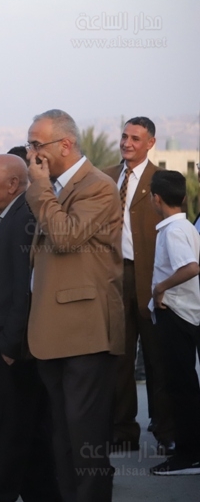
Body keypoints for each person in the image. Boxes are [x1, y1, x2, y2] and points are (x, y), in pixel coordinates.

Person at [26, 109, 123, 502]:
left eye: (37, 145)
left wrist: (39, 188)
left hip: (85, 331)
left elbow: (65, 236)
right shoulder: (55, 187)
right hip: (53, 331)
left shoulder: (97, 186)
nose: (31, 154)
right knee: (64, 437)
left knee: (85, 440)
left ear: (65, 145)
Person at [0, 155, 60, 501]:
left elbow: (25, 289)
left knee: (8, 434)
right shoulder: (4, 216)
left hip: (12, 351)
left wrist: (9, 346)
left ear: (12, 185)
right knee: (27, 433)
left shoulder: (25, 218)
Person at [102, 116, 174, 454]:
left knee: (158, 360)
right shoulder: (106, 177)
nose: (127, 143)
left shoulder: (162, 180)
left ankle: (165, 430)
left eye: (135, 138)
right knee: (119, 356)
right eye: (124, 136)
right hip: (114, 277)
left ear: (150, 143)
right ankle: (123, 431)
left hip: (152, 280)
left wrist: (165, 286)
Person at [147, 170, 200, 476]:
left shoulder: (174, 231)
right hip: (183, 314)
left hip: (177, 315)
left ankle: (187, 456)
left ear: (156, 198)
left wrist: (160, 288)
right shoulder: (185, 227)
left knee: (181, 388)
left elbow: (190, 267)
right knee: (184, 385)